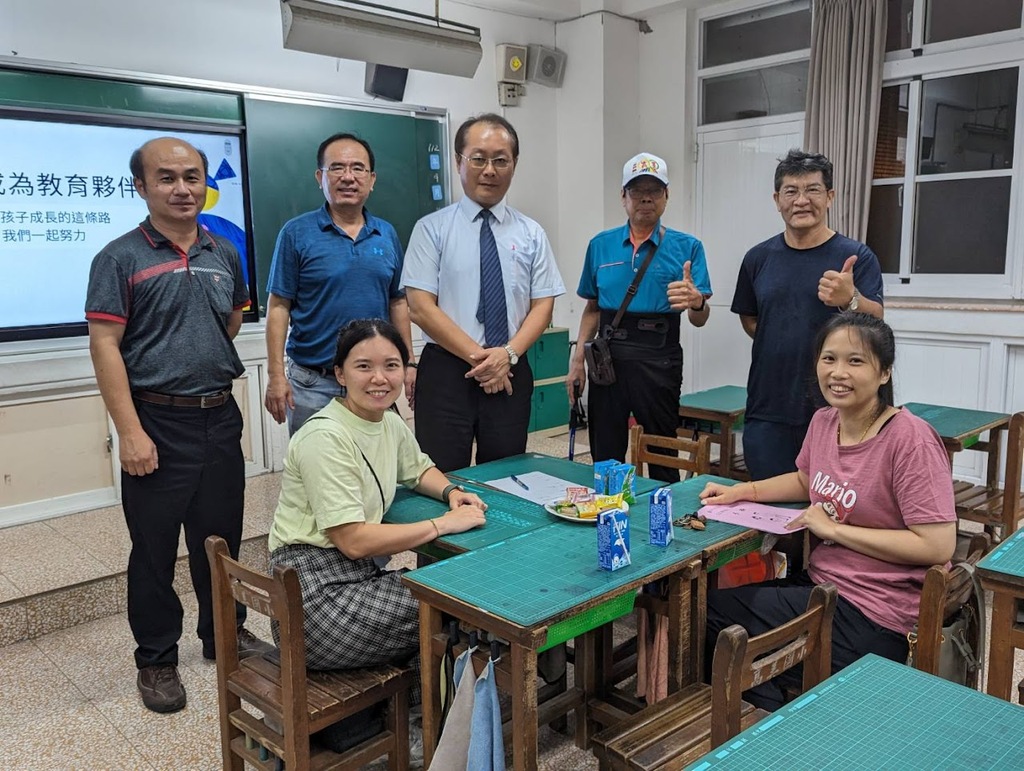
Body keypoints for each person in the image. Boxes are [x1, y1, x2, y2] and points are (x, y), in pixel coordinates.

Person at [85, 137, 270, 715]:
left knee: (220, 541)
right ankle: (157, 658)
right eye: (167, 178)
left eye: (192, 176)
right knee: (154, 549)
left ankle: (223, 635)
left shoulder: (224, 251)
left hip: (218, 417)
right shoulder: (118, 258)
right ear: (141, 187)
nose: (183, 188)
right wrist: (130, 431)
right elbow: (105, 345)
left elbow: (232, 321)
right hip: (155, 420)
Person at [699, 312, 956, 711]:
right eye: (828, 358)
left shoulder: (910, 440)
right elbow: (806, 480)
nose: (838, 372)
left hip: (876, 616)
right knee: (715, 608)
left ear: (884, 373)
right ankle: (769, 711)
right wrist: (742, 491)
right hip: (824, 586)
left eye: (856, 361)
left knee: (714, 622)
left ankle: (764, 724)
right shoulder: (824, 421)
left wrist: (835, 531)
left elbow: (938, 545)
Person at [267, 318, 487, 685]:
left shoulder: (387, 422)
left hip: (356, 580)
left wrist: (452, 493)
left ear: (404, 370)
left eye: (391, 365)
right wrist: (443, 525)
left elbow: (418, 470)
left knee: (442, 599)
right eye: (363, 366)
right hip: (313, 602)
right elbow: (353, 541)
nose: (379, 379)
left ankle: (420, 713)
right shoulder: (324, 437)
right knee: (451, 604)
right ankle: (427, 720)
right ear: (340, 374)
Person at [402, 113, 565, 472]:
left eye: (500, 160)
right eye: (478, 158)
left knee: (507, 476)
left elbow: (543, 305)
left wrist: (506, 355)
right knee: (440, 477)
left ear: (514, 165)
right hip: (447, 370)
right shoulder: (431, 229)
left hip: (510, 367)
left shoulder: (532, 233)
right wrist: (485, 360)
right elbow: (420, 308)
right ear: (459, 161)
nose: (489, 170)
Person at [732, 150, 884, 480]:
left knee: (835, 511)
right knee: (769, 510)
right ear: (777, 199)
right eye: (791, 191)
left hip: (837, 408)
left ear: (829, 196)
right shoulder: (757, 258)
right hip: (769, 405)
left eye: (813, 190)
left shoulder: (856, 257)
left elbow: (877, 320)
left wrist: (851, 299)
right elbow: (750, 317)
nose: (802, 200)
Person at [569, 152, 712, 482]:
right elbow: (593, 308)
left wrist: (696, 302)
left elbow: (699, 319)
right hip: (608, 359)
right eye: (636, 190)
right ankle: (608, 516)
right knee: (606, 448)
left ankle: (663, 523)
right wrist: (577, 362)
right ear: (623, 196)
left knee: (662, 448)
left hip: (659, 358)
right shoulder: (600, 246)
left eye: (654, 190)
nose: (646, 197)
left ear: (666, 195)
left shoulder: (687, 247)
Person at [264, 133, 415, 435]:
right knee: (318, 472)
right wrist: (276, 375)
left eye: (358, 168)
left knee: (378, 468)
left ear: (372, 179)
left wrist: (408, 363)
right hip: (314, 383)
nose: (348, 177)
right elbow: (279, 306)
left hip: (374, 380)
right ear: (320, 176)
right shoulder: (296, 233)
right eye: (337, 168)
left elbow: (397, 301)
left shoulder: (386, 234)